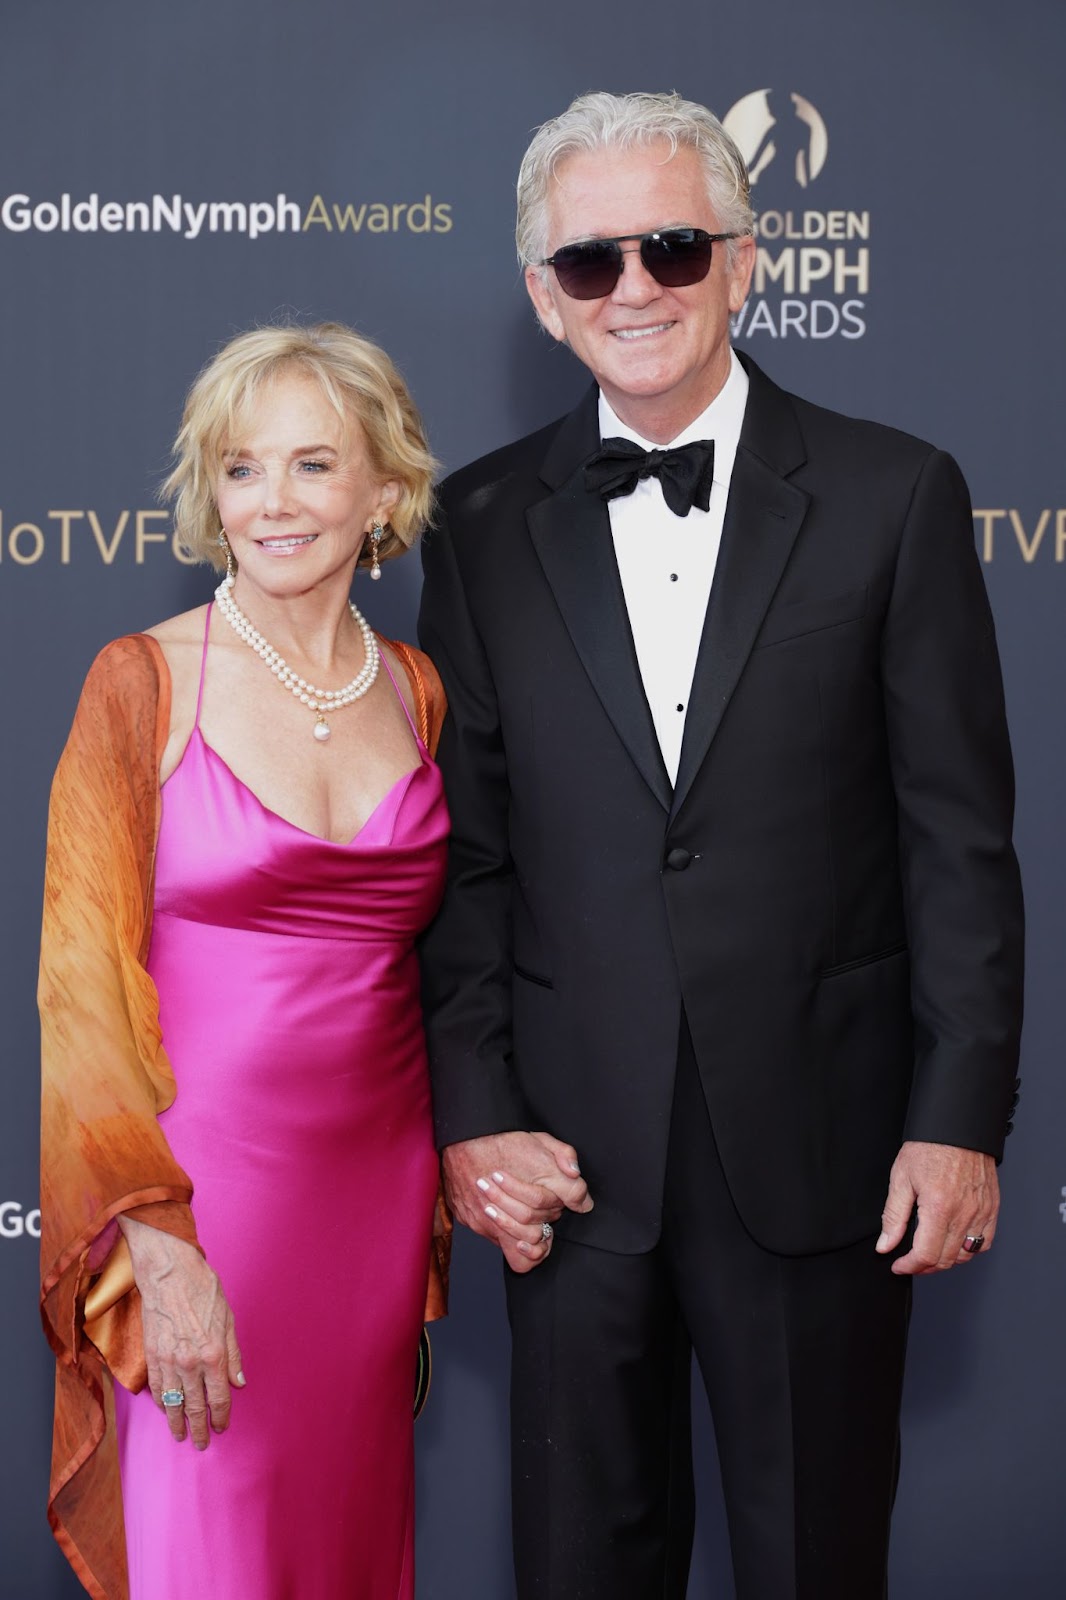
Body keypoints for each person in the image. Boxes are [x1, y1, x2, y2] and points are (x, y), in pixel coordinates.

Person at [418, 91, 1024, 1599]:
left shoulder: (894, 495)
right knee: (578, 1566)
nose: (634, 289)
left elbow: (958, 842)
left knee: (816, 1560)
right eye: (587, 264)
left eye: (673, 248)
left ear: (745, 265)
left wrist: (957, 1120)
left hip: (825, 1147)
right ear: (543, 303)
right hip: (567, 1164)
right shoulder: (478, 525)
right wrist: (476, 1115)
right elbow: (464, 860)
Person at [39, 322, 450, 1600]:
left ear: (383, 490)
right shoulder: (142, 682)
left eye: (314, 465)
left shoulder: (422, 691)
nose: (272, 501)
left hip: (376, 1200)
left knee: (341, 1541)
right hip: (202, 1199)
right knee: (210, 1543)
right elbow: (80, 990)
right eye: (239, 468)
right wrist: (157, 1245)